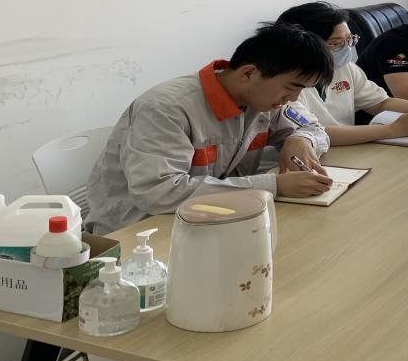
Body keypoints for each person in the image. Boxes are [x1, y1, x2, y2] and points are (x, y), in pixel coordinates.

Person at [86, 23, 335, 233]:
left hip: (212, 219)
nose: (293, 99)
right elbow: (158, 193)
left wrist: (301, 139)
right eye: (291, 88)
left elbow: (315, 128)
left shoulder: (264, 101)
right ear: (248, 73)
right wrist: (274, 186)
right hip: (140, 232)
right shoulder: (166, 109)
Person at [276, 2, 408, 145]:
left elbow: (380, 103)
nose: (346, 49)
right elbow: (313, 133)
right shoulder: (284, 84)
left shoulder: (345, 68)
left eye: (350, 40)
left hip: (347, 150)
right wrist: (392, 130)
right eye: (336, 43)